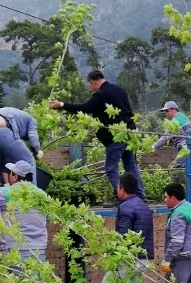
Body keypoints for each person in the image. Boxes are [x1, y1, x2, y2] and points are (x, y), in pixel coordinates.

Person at [49, 69, 145, 203]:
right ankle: (140, 196)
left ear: (93, 82)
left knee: (111, 167)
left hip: (116, 136)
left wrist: (62, 105)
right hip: (130, 132)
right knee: (130, 165)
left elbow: (84, 108)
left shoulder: (101, 95)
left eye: (91, 85)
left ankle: (122, 196)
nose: (91, 88)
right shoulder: (119, 90)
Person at [101, 172, 158, 283]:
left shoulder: (125, 207)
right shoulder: (144, 206)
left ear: (122, 189)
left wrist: (111, 254)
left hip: (129, 259)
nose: (116, 190)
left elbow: (122, 235)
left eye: (117, 187)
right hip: (144, 259)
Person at [0, 160, 48, 263]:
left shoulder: (7, 193)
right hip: (39, 250)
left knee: (17, 279)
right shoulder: (42, 195)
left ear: (15, 176)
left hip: (17, 250)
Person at [0, 107, 44, 188]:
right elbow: (33, 140)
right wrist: (37, 152)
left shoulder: (17, 115)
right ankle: (32, 195)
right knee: (29, 161)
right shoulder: (31, 120)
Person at [152, 100, 191, 168]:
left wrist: (153, 147)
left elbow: (165, 138)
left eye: (167, 111)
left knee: (176, 169)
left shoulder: (174, 121)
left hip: (184, 148)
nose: (166, 113)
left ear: (174, 110)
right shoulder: (183, 117)